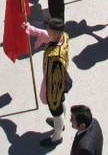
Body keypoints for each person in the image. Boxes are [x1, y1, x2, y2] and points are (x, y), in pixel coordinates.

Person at [22, 17, 71, 146]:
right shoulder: (63, 36)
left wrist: (48, 93)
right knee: (62, 101)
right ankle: (60, 124)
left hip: (54, 84)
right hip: (61, 78)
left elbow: (53, 79)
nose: (47, 32)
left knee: (56, 108)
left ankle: (57, 136)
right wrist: (29, 28)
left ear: (55, 33)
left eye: (49, 30)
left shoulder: (55, 57)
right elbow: (44, 35)